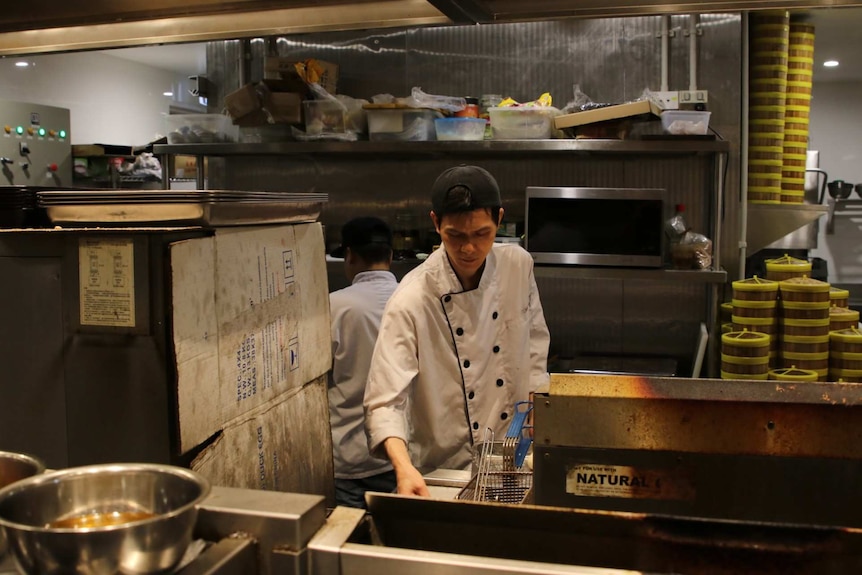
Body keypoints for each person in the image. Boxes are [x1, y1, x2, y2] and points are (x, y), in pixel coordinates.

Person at [363, 165, 550, 496]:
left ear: (499, 219)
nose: (469, 249)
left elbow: (535, 343)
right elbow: (384, 400)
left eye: (482, 234)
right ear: (435, 223)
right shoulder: (412, 298)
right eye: (456, 236)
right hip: (443, 470)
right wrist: (403, 469)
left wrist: (539, 406)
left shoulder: (517, 266)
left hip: (514, 459)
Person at [327, 216, 399, 508]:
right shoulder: (415, 299)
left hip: (350, 454)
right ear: (391, 256)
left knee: (352, 541)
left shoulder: (335, 305)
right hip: (402, 452)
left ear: (349, 255)